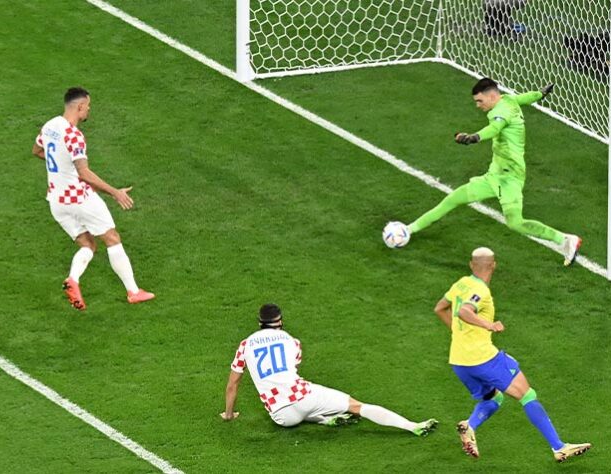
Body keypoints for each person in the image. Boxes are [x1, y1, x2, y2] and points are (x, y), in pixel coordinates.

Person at [433, 247, 591, 462]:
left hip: (459, 361)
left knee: (494, 398)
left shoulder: (461, 283)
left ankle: (470, 426)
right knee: (527, 394)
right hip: (483, 358)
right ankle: (559, 447)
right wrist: (488, 324)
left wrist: (458, 333)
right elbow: (464, 311)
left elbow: (440, 308)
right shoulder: (481, 290)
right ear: (494, 265)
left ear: (471, 265)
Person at [407, 78, 582, 266]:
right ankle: (409, 230)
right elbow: (526, 98)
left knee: (515, 223)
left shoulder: (500, 112)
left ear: (492, 96)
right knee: (454, 198)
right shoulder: (508, 100)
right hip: (495, 175)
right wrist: (541, 93)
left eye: (480, 101)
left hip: (510, 177)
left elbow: (494, 128)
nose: (477, 105)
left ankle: (565, 240)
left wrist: (474, 137)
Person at [220, 304, 438, 436]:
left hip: (281, 416)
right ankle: (412, 426)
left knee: (298, 410)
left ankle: (325, 419)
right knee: (356, 406)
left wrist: (229, 415)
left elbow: (233, 385)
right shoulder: (291, 341)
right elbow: (292, 367)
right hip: (303, 397)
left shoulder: (245, 345)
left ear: (259, 322)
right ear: (280, 321)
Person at [32, 87, 154, 310]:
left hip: (56, 201)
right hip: (79, 198)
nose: (89, 110)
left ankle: (73, 280)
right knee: (111, 238)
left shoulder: (50, 126)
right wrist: (115, 192)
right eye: (88, 106)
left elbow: (37, 151)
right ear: (79, 107)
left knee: (88, 244)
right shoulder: (74, 135)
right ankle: (134, 291)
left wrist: (60, 171)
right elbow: (84, 173)